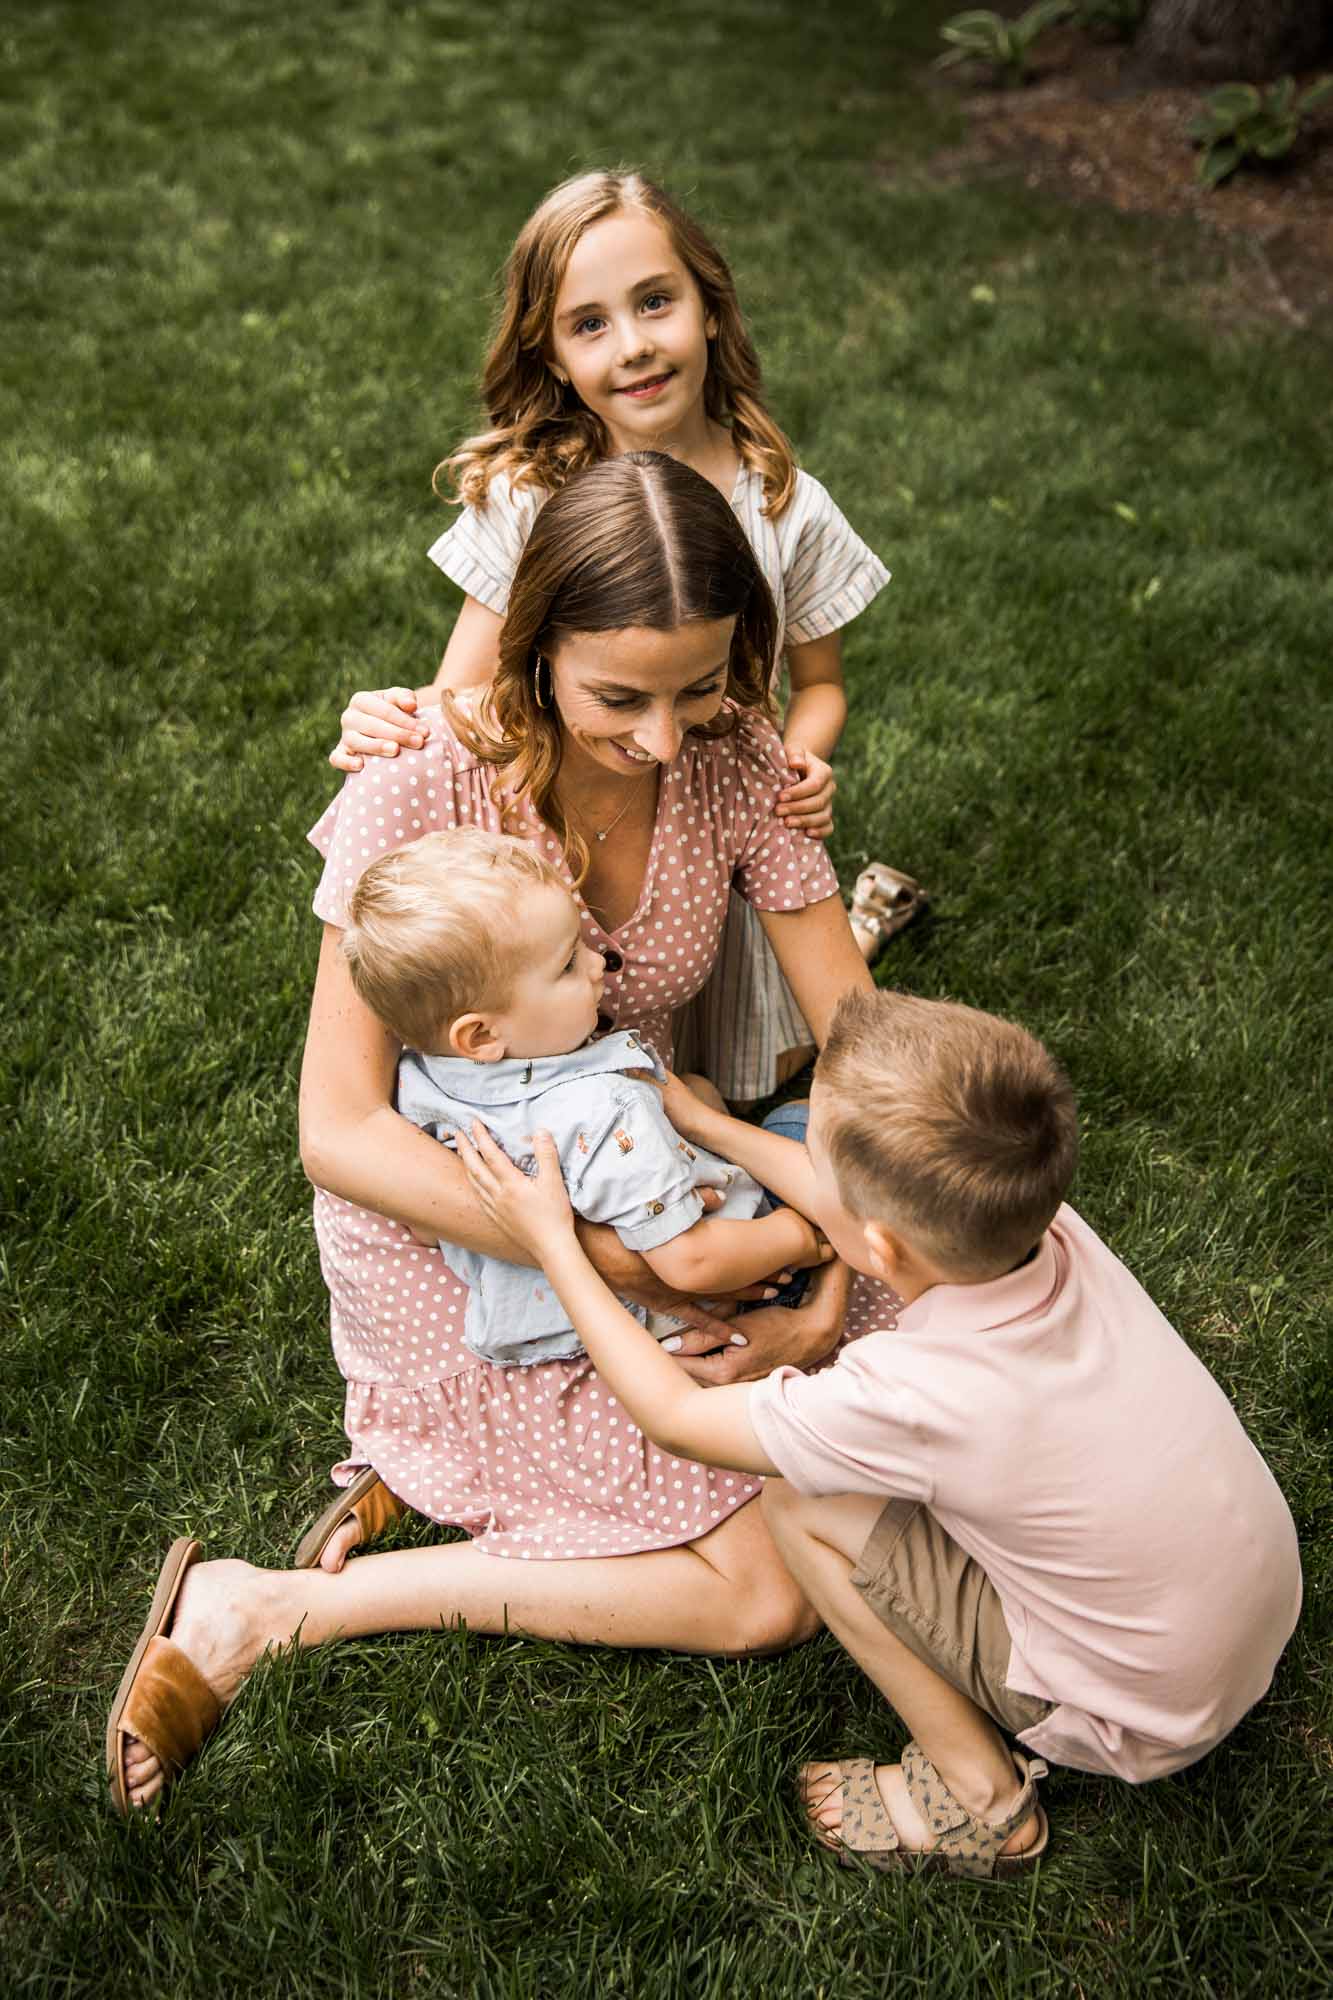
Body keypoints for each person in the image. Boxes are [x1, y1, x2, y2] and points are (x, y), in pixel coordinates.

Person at [105, 450, 884, 1816]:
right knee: (769, 1592)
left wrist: (823, 1277)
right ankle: (272, 1608)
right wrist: (638, 1274)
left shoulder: (738, 762)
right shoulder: (421, 780)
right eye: (617, 697)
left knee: (946, 1319)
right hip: (470, 1249)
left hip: (662, 1178)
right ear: (534, 650)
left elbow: (864, 1043)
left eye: (698, 686)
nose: (661, 737)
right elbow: (339, 1130)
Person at [455, 987, 1304, 1879]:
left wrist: (554, 1243)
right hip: (1246, 1612)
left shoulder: (911, 1393)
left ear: (882, 1248)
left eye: (809, 1150)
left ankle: (982, 1800)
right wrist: (701, 1118)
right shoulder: (1044, 1229)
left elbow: (675, 1420)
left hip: (1138, 1708)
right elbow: (846, 1211)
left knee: (800, 1501)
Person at [326, 168, 924, 1099]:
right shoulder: (534, 495)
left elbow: (821, 684)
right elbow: (464, 696)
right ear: (553, 354)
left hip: (713, 807)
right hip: (561, 807)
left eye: (656, 302)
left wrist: (793, 770)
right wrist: (392, 726)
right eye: (590, 324)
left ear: (711, 308)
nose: (636, 346)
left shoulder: (781, 504)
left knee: (753, 1064)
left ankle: (846, 935)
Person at [341, 826, 830, 1367]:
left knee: (697, 1092)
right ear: (481, 1036)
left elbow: (424, 1225)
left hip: (562, 1317)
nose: (599, 964)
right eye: (569, 964)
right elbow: (690, 1263)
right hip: (720, 1294)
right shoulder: (609, 1109)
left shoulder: (421, 1083)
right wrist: (796, 1236)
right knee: (799, 1124)